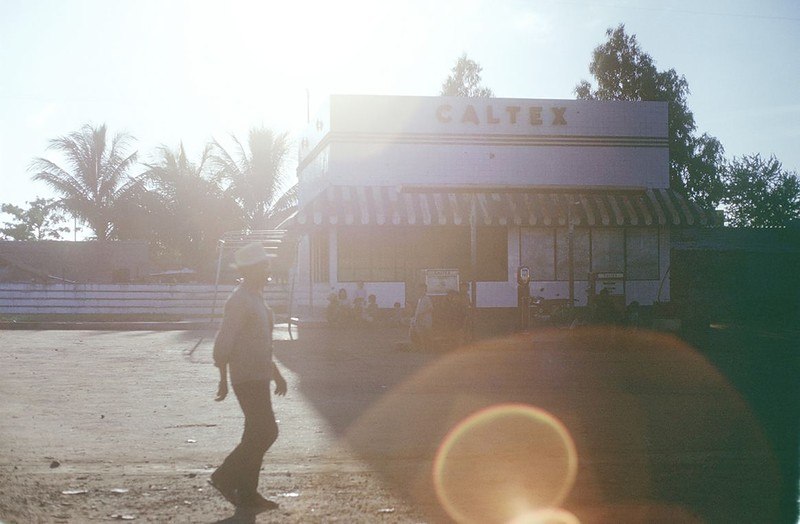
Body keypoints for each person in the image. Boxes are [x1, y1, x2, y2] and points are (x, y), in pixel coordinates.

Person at [209, 242, 288, 511]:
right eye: (263, 267)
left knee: (255, 433)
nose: (268, 271)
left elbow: (262, 343)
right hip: (246, 377)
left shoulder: (256, 298)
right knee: (266, 431)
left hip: (259, 375)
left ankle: (247, 493)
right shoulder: (240, 300)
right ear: (250, 270)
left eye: (267, 266)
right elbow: (224, 343)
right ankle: (225, 476)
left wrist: (276, 374)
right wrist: (223, 378)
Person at [410, 282, 433, 349]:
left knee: (426, 335)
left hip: (426, 320)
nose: (420, 291)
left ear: (425, 290)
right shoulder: (420, 299)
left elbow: (431, 308)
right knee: (420, 335)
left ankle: (427, 348)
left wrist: (422, 314)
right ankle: (423, 348)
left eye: (422, 289)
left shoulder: (427, 298)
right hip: (419, 320)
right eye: (419, 289)